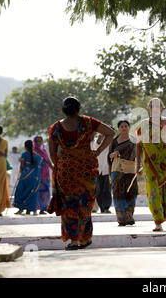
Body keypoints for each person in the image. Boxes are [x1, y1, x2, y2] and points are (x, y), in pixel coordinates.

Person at [47, 97, 115, 250]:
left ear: (63, 110)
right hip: (86, 169)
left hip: (66, 171)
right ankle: (84, 238)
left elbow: (52, 153)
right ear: (78, 108)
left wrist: (60, 165)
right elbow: (110, 133)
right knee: (84, 203)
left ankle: (73, 241)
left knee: (68, 204)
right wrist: (97, 151)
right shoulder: (88, 122)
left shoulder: (56, 128)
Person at [135, 98, 166, 232]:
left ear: (162, 108)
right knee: (153, 191)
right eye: (152, 106)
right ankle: (157, 222)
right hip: (150, 163)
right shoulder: (143, 124)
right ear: (148, 108)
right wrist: (137, 166)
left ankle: (165, 214)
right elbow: (138, 146)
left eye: (158, 106)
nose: (155, 108)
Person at [108, 120, 138, 226]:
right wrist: (114, 154)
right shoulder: (114, 141)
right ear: (118, 128)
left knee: (132, 192)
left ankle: (129, 215)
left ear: (129, 127)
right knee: (118, 193)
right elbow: (109, 157)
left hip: (131, 170)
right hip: (117, 169)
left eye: (126, 126)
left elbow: (139, 154)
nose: (124, 128)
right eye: (121, 126)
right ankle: (121, 217)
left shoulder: (134, 140)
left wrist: (139, 167)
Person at [13, 140, 43, 215]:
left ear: (25, 146)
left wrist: (20, 171)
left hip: (25, 176)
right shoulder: (37, 155)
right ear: (32, 146)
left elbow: (22, 165)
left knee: (21, 191)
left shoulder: (24, 154)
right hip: (34, 177)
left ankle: (21, 209)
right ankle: (31, 210)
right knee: (32, 192)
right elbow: (40, 163)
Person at [92, 133, 112, 213]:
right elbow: (97, 145)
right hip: (98, 169)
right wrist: (101, 137)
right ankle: (101, 207)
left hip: (107, 169)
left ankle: (106, 207)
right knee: (98, 190)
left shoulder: (111, 142)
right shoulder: (97, 140)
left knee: (107, 189)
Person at [33, 136, 53, 214]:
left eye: (40, 141)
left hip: (46, 174)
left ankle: (44, 208)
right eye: (37, 141)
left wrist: (53, 169)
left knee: (46, 191)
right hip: (37, 173)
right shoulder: (33, 151)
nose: (39, 143)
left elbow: (48, 161)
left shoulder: (44, 150)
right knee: (38, 191)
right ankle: (36, 207)